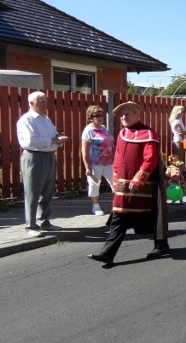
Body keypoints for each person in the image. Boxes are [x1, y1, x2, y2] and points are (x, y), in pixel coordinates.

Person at [87, 101, 171, 264]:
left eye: (127, 113)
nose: (123, 117)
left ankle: (161, 245)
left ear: (137, 115)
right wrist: (116, 178)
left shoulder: (148, 134)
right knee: (119, 216)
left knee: (153, 215)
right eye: (122, 114)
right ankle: (107, 253)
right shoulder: (122, 134)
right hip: (124, 186)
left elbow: (151, 159)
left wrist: (139, 179)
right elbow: (118, 158)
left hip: (144, 186)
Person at [16, 91, 69, 237]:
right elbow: (30, 141)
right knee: (32, 192)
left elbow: (52, 135)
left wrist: (58, 138)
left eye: (45, 101)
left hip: (49, 156)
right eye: (41, 101)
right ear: (31, 103)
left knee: (47, 191)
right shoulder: (26, 120)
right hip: (34, 156)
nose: (45, 104)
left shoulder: (46, 119)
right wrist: (52, 141)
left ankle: (44, 221)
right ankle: (30, 226)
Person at [81, 105, 115, 216]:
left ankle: (118, 205)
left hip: (108, 162)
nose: (100, 117)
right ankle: (95, 207)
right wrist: (87, 166)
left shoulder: (103, 128)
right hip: (95, 163)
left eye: (101, 115)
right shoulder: (88, 131)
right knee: (94, 184)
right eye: (97, 115)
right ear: (90, 117)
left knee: (115, 182)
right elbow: (84, 150)